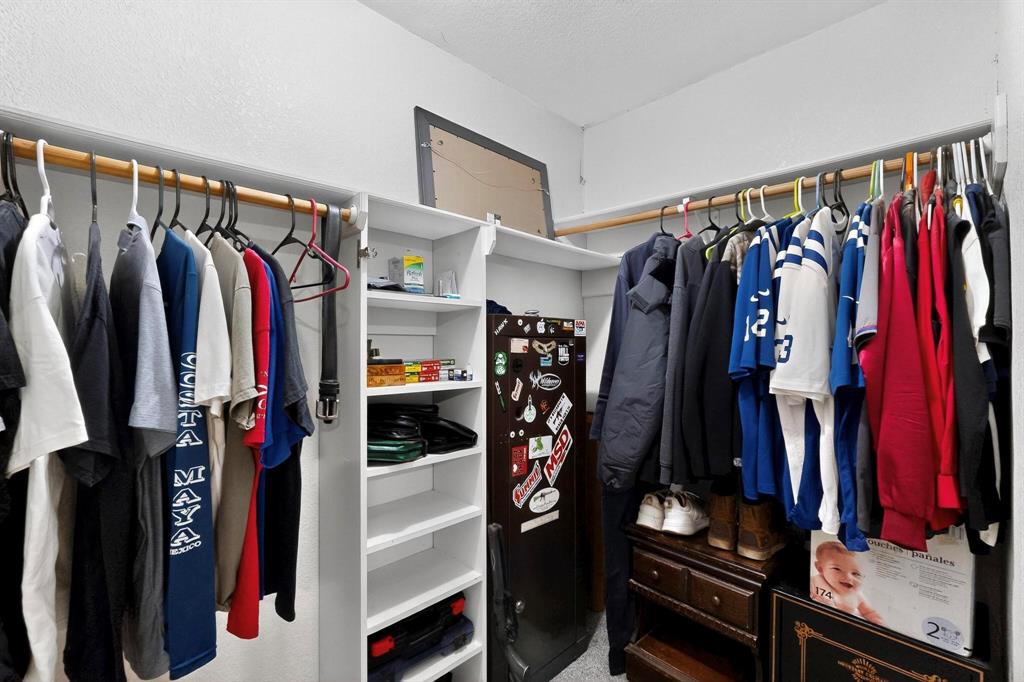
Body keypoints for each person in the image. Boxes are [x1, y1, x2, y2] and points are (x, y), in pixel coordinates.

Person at [811, 541, 883, 625]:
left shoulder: (856, 593)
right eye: (837, 569)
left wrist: (878, 624)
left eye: (855, 574)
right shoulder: (816, 582)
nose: (848, 578)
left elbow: (868, 612)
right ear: (820, 568)